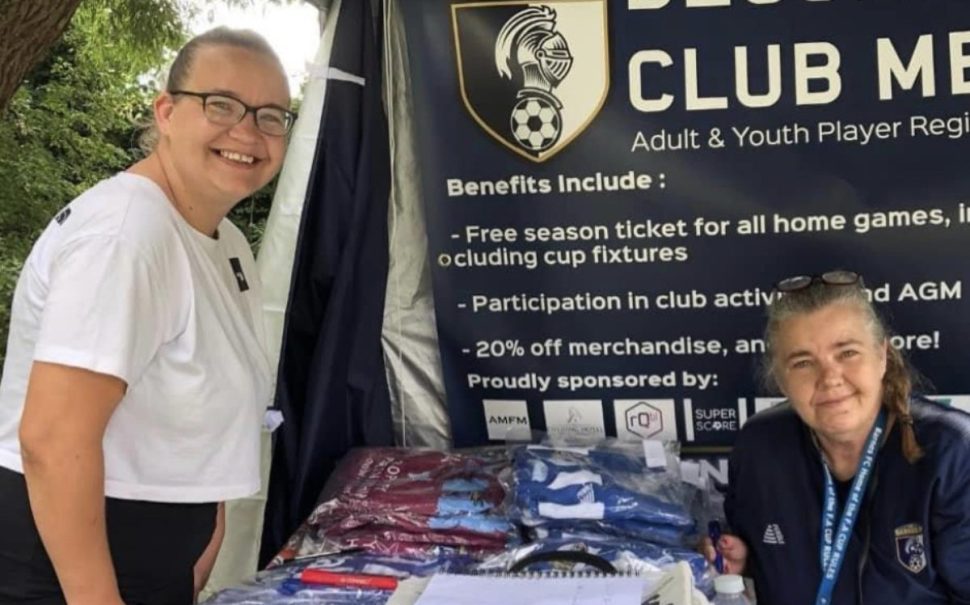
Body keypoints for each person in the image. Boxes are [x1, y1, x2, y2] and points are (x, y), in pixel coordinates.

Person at [0, 27, 296, 604]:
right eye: (222, 104)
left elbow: (207, 410)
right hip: (68, 568)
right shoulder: (126, 234)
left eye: (271, 116)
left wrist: (200, 544)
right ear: (166, 111)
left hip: (149, 556)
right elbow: (54, 441)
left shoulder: (224, 240)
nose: (247, 131)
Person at [705, 270, 970, 604]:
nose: (830, 378)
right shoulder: (759, 448)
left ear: (882, 357)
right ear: (781, 380)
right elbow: (767, 558)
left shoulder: (952, 450)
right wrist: (745, 563)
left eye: (847, 353)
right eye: (803, 362)